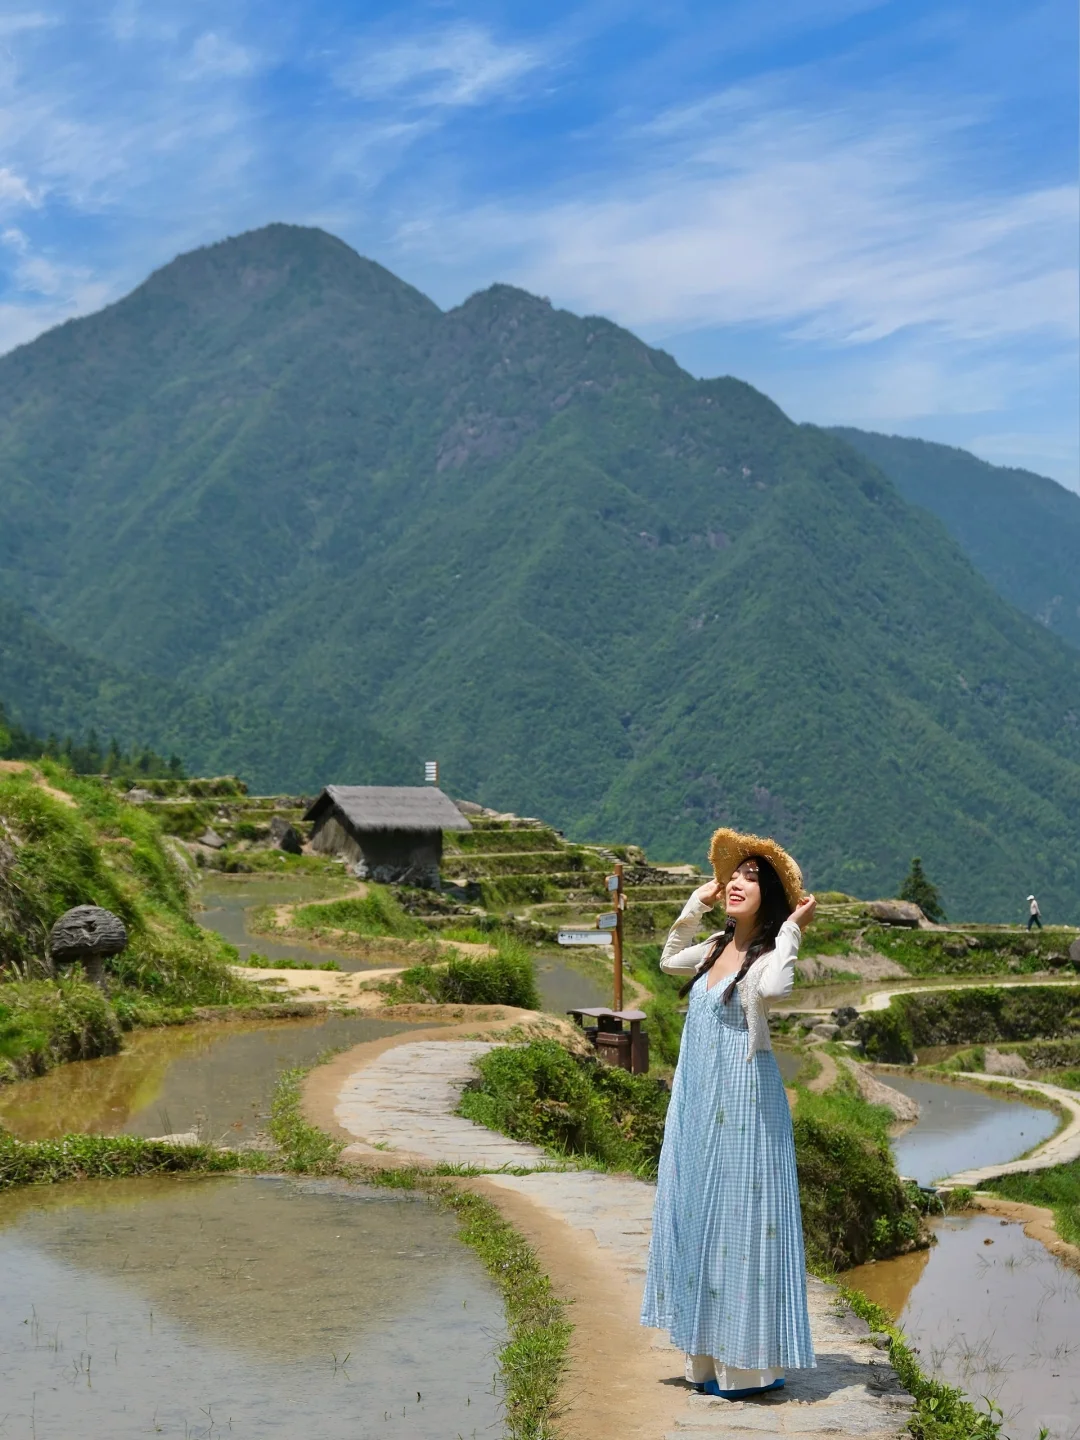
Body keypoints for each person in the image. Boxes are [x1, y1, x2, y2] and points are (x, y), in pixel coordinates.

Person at [640, 826, 817, 1400]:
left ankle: (746, 1365)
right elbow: (668, 959)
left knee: (740, 1218)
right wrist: (697, 904)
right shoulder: (714, 948)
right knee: (697, 1209)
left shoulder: (766, 955)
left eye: (751, 878)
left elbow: (777, 990)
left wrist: (790, 934)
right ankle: (706, 1358)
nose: (738, 883)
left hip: (744, 1102)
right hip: (698, 1098)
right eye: (734, 874)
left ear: (772, 897)